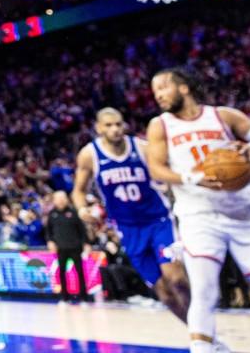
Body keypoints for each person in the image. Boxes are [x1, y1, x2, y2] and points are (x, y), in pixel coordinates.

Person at [146, 68, 250, 353]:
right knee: (204, 291)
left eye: (163, 87)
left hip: (244, 214)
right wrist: (191, 178)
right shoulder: (160, 126)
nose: (158, 95)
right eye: (155, 90)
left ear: (184, 88)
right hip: (199, 217)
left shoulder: (223, 116)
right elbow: (156, 169)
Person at [73, 107, 190, 321]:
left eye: (119, 124)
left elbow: (164, 171)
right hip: (128, 229)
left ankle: (202, 328)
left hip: (158, 221)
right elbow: (79, 191)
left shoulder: (141, 148)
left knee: (176, 277)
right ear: (99, 129)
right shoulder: (90, 155)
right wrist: (82, 209)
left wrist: (168, 186)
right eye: (109, 125)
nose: (115, 129)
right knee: (164, 292)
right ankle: (194, 328)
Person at [45, 191, 91, 303]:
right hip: (61, 249)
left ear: (66, 199)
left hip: (75, 247)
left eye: (63, 198)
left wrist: (86, 243)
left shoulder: (73, 212)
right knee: (61, 272)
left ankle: (84, 297)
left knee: (80, 272)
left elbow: (82, 230)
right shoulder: (52, 214)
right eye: (58, 198)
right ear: (54, 200)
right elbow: (48, 231)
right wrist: (50, 241)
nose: (61, 200)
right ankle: (64, 297)